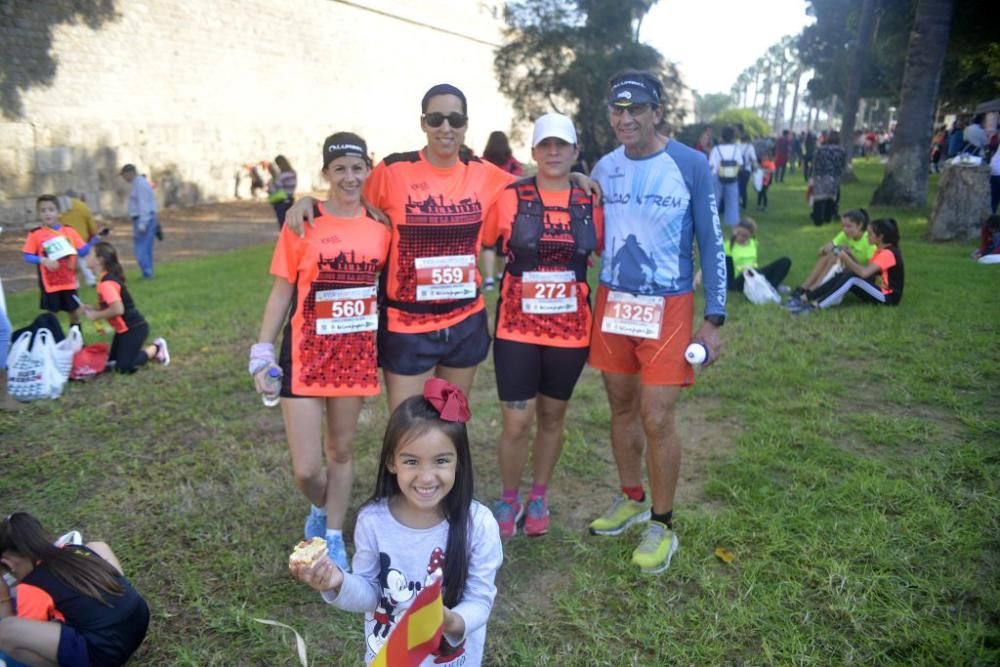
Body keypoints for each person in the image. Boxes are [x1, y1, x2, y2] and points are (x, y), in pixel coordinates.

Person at [285, 84, 598, 412]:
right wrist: (309, 201)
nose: (445, 128)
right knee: (407, 428)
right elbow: (347, 199)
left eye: (454, 119)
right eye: (436, 119)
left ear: (465, 124)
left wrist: (574, 177)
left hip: (465, 323)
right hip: (408, 327)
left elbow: (541, 183)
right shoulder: (392, 171)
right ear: (424, 123)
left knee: (451, 423)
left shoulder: (486, 175)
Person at [587, 69, 725, 575]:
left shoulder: (689, 163)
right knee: (621, 407)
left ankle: (662, 524)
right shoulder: (603, 168)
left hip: (668, 305)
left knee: (657, 415)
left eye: (636, 109)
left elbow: (711, 242)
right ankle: (631, 498)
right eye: (617, 111)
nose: (625, 119)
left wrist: (714, 319)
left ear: (657, 112)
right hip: (614, 303)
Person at [251, 133, 391, 571]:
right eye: (339, 169)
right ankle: (321, 505)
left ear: (368, 169)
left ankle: (333, 535)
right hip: (305, 356)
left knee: (342, 452)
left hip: (354, 357)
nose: (349, 177)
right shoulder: (303, 222)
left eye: (356, 168)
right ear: (326, 173)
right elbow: (282, 291)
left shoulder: (381, 228)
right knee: (308, 469)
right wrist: (261, 349)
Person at [290, 379, 503, 667]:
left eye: (441, 461)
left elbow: (480, 599)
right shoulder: (373, 521)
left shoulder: (479, 524)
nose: (426, 477)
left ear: (459, 462)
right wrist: (337, 581)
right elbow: (370, 594)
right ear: (391, 462)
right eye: (411, 461)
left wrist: (450, 620)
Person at [481, 113, 604, 539]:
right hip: (516, 330)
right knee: (516, 422)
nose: (553, 153)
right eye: (545, 145)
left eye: (562, 146)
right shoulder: (510, 197)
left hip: (571, 331)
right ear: (533, 152)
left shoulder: (591, 201)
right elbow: (483, 240)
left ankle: (538, 495)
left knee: (553, 416)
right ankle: (509, 496)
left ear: (574, 152)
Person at [0, 512, 150, 667]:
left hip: (106, 652)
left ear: (9, 562)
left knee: (6, 630)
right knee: (97, 546)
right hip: (139, 621)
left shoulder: (31, 586)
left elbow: (25, 632)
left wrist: (3, 598)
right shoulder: (74, 549)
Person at [81, 241, 170, 373]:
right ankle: (133, 354)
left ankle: (156, 348)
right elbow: (110, 305)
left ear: (99, 260)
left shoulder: (106, 283)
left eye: (89, 254)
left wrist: (96, 315)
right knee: (111, 364)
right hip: (123, 330)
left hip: (134, 328)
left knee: (124, 368)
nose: (86, 257)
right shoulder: (103, 279)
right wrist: (94, 309)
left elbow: (118, 309)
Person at [792, 218, 904, 312]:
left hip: (888, 297)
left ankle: (816, 306)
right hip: (877, 289)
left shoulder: (888, 253)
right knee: (846, 273)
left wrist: (845, 257)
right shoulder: (880, 250)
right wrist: (851, 255)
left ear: (880, 237)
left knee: (852, 278)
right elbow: (867, 271)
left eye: (870, 234)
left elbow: (863, 274)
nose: (867, 237)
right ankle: (806, 297)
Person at [21, 195, 94, 331]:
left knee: (74, 312)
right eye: (43, 210)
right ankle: (54, 341)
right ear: (39, 214)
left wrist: (96, 239)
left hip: (69, 281)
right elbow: (27, 256)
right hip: (50, 284)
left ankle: (78, 342)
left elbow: (83, 250)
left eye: (51, 209)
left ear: (59, 212)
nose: (47, 213)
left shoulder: (69, 231)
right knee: (51, 315)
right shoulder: (35, 234)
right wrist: (43, 260)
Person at [789, 209, 874, 301]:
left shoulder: (868, 240)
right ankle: (805, 287)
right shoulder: (844, 234)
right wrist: (825, 249)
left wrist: (850, 254)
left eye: (849, 226)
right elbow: (823, 251)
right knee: (829, 254)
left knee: (835, 255)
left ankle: (814, 288)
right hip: (846, 266)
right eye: (843, 226)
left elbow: (868, 270)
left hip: (861, 273)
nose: (845, 230)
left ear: (860, 225)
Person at [480, 131, 524, 291]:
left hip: (488, 205)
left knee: (488, 245)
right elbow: (520, 180)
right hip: (508, 206)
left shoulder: (483, 162)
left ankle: (490, 279)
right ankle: (501, 274)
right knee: (504, 244)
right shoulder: (512, 163)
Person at [725, 218, 790, 292]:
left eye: (745, 236)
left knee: (785, 261)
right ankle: (767, 285)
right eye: (738, 234)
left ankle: (772, 287)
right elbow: (728, 272)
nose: (740, 237)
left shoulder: (753, 243)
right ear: (734, 230)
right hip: (740, 279)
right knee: (752, 271)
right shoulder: (727, 246)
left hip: (755, 274)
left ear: (751, 234)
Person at [119, 164, 158, 279]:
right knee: (145, 248)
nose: (123, 178)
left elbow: (144, 205)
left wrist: (142, 223)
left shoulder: (140, 185)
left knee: (141, 249)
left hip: (143, 219)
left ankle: (147, 273)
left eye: (124, 175)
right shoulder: (139, 184)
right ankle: (148, 272)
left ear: (129, 173)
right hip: (144, 218)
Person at [57, 192, 101, 287]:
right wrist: (94, 235)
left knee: (69, 262)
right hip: (80, 238)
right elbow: (91, 225)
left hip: (64, 238)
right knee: (82, 259)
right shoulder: (83, 207)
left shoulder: (59, 206)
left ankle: (74, 282)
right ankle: (91, 279)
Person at [810, 130, 847, 225]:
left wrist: (813, 175)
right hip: (834, 176)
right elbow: (843, 164)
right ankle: (828, 217)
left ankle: (818, 219)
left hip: (820, 175)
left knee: (819, 197)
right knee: (831, 197)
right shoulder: (842, 151)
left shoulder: (820, 149)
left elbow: (815, 162)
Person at [709, 126, 742, 227]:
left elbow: (711, 164)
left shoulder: (716, 149)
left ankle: (712, 222)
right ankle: (732, 221)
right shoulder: (736, 149)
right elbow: (740, 163)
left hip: (717, 176)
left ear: (722, 137)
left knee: (714, 201)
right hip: (732, 177)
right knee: (732, 201)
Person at [267, 155, 298, 228]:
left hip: (280, 200)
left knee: (282, 224)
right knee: (290, 223)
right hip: (290, 199)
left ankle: (285, 239)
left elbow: (275, 188)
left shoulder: (282, 175)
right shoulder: (293, 173)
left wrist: (271, 180)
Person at [736, 125, 758, 211]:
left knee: (737, 186)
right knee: (744, 187)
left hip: (737, 169)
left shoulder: (737, 146)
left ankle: (737, 203)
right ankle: (744, 204)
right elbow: (754, 159)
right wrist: (756, 168)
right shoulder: (750, 147)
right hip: (747, 169)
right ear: (748, 140)